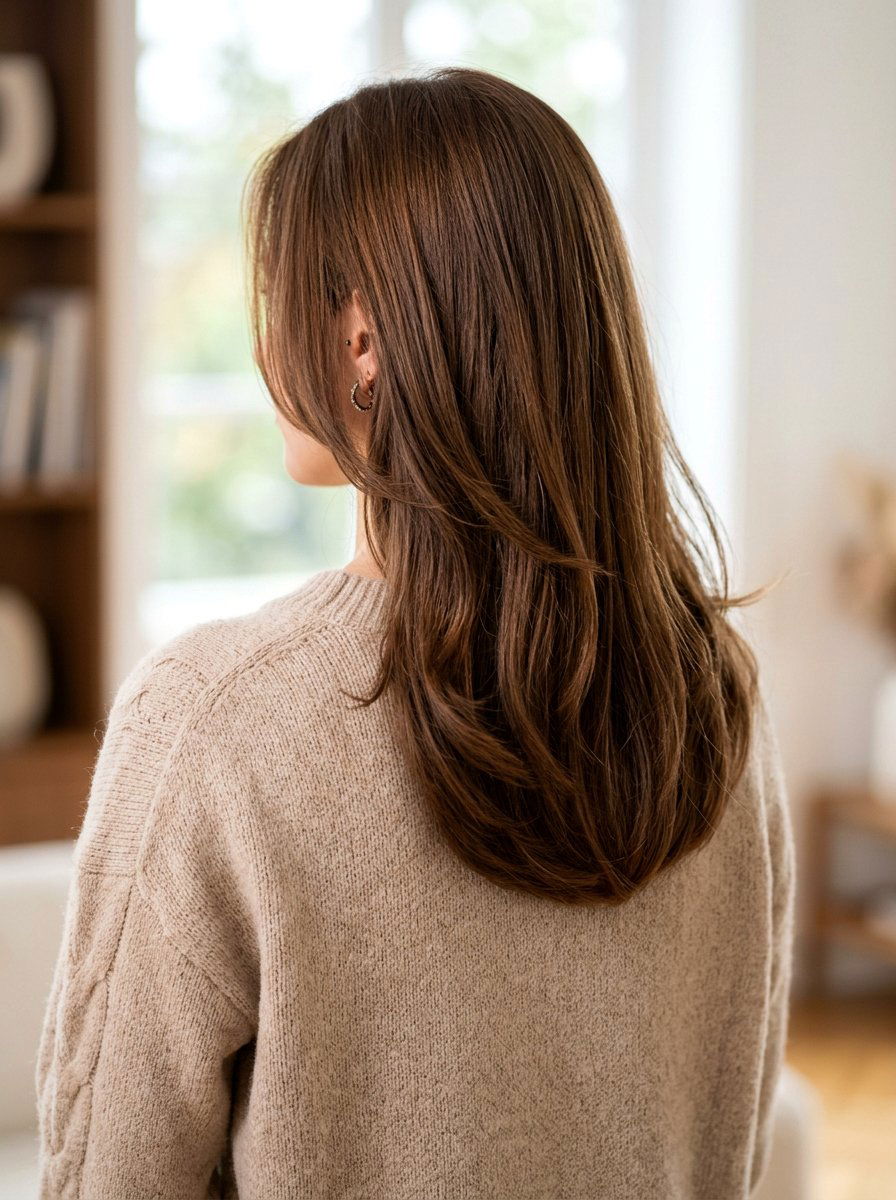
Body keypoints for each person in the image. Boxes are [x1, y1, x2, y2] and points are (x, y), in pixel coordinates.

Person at [35, 66, 795, 1198]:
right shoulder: (712, 698)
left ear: (357, 339)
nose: (259, 336)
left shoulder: (216, 721)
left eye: (271, 291)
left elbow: (107, 1181)